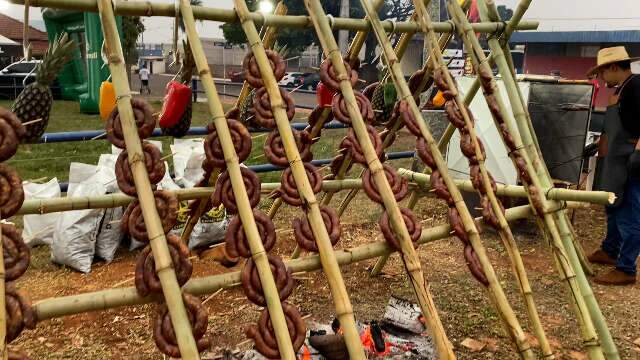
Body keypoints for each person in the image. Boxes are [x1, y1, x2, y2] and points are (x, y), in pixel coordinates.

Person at [586, 46, 640, 285]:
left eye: (602, 72)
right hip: (615, 159)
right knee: (613, 205)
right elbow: (617, 125)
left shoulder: (636, 87)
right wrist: (599, 143)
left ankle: (626, 268)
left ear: (614, 67)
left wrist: (637, 155)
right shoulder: (622, 88)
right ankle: (610, 250)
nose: (601, 78)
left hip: (630, 161)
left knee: (629, 213)